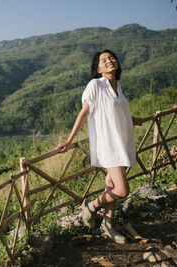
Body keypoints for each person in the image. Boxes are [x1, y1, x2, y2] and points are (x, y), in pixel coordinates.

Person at [56, 49, 145, 244]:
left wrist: (135, 120)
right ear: (97, 68)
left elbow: (117, 113)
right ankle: (90, 206)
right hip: (108, 145)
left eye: (111, 58)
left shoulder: (117, 87)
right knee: (122, 190)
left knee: (112, 184)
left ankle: (108, 224)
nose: (109, 61)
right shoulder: (95, 85)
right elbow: (84, 112)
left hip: (120, 142)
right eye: (103, 60)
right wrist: (69, 140)